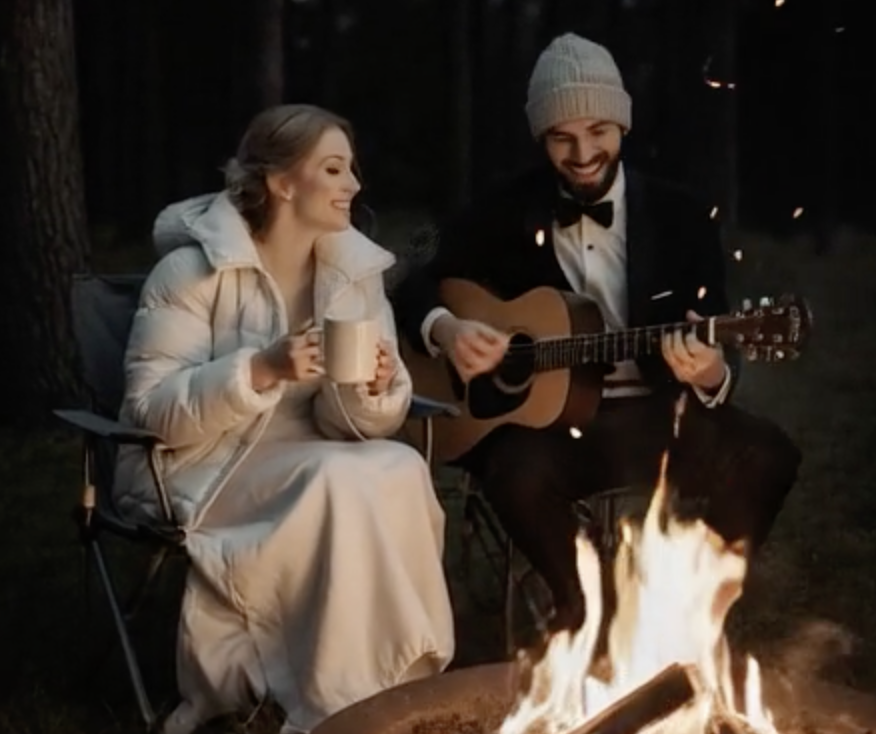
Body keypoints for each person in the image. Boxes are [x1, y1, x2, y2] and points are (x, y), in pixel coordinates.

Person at [393, 34, 801, 633]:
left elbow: (716, 334)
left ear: (623, 125)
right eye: (562, 138)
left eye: (598, 132)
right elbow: (412, 272)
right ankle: (579, 614)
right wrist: (446, 328)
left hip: (660, 418)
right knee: (515, 475)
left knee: (768, 453)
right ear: (541, 137)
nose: (583, 153)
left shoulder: (682, 216)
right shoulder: (503, 209)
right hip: (551, 434)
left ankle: (689, 614)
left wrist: (710, 371)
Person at [114, 104, 455, 734]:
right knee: (337, 481)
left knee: (400, 466)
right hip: (202, 464)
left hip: (312, 452)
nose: (354, 184)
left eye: (352, 168)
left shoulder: (353, 271)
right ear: (281, 183)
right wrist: (261, 369)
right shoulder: (192, 272)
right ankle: (339, 704)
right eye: (334, 168)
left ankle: (405, 681)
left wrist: (375, 388)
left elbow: (363, 422)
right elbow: (150, 410)